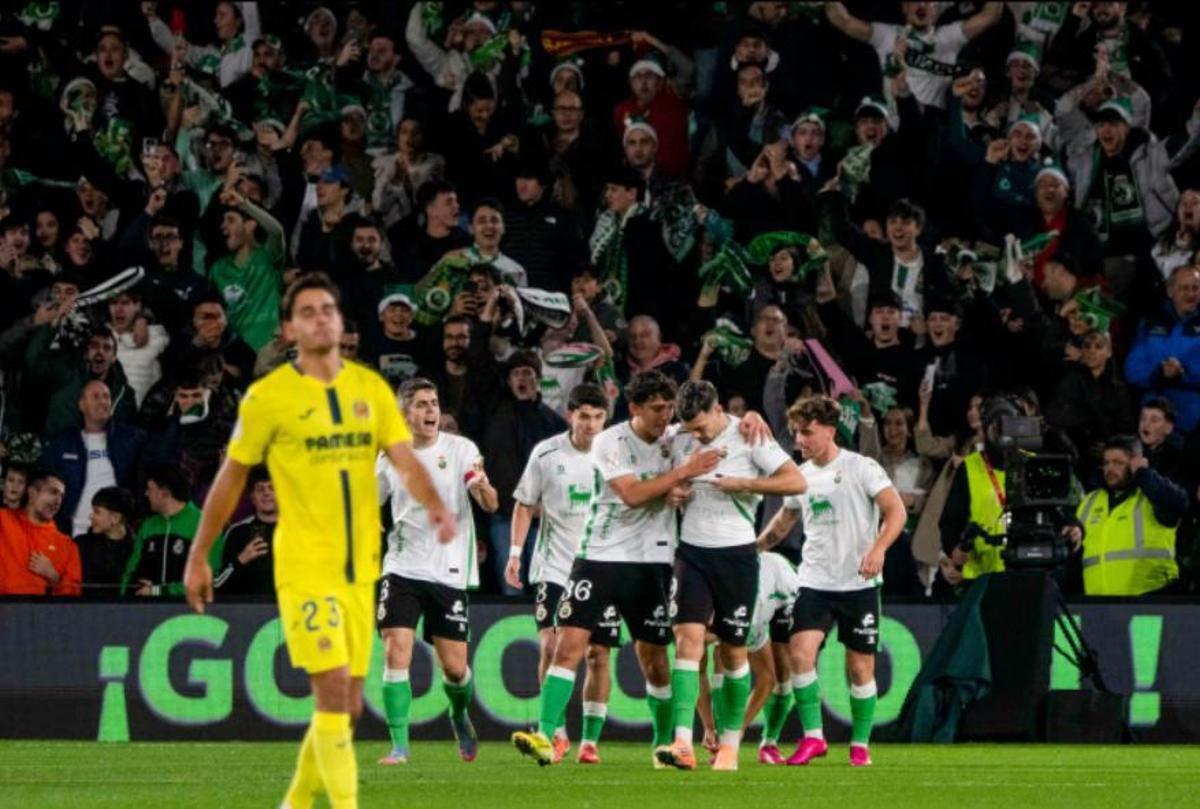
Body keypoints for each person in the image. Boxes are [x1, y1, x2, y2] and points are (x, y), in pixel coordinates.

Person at [183, 273, 454, 809]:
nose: (320, 318)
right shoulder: (269, 398)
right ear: (287, 330)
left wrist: (437, 506)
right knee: (331, 692)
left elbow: (405, 461)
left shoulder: (370, 389)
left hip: (361, 567)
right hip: (305, 565)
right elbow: (232, 476)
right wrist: (198, 552)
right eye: (307, 312)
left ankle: (296, 803)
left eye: (327, 309)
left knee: (349, 708)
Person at [511, 371, 722, 767]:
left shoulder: (677, 438)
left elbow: (717, 431)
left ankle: (664, 747)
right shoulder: (610, 442)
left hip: (653, 561)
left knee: (655, 659)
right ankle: (545, 734)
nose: (666, 416)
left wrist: (750, 420)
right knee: (567, 645)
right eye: (657, 409)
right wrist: (678, 477)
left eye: (669, 408)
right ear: (634, 409)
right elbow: (631, 494)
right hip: (600, 557)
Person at [656, 380, 805, 772]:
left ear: (719, 408)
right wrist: (670, 492)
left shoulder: (749, 435)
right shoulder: (679, 436)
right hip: (691, 554)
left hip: (738, 556)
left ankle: (729, 745)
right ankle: (683, 743)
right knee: (687, 640)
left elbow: (796, 482)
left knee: (732, 651)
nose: (699, 435)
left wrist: (746, 483)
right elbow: (653, 467)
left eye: (703, 427)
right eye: (692, 428)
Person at [756, 395, 905, 766]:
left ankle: (859, 745)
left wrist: (879, 548)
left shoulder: (861, 467)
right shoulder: (802, 476)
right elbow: (785, 522)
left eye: (806, 433)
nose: (799, 441)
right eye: (795, 433)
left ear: (829, 430)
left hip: (858, 584)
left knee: (859, 669)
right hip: (814, 583)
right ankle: (814, 738)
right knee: (799, 656)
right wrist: (753, 549)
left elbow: (895, 511)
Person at [376, 377, 498, 766]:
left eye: (435, 403)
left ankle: (458, 712)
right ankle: (399, 746)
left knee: (455, 668)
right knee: (396, 649)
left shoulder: (461, 450)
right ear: (404, 414)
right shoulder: (389, 458)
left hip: (447, 569)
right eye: (423, 405)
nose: (432, 411)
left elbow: (492, 504)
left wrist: (482, 489)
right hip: (401, 567)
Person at [505, 383, 617, 765]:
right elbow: (524, 504)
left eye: (598, 417)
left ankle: (590, 740)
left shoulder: (617, 454)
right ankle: (555, 732)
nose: (591, 424)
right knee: (552, 647)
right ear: (570, 415)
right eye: (584, 416)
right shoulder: (547, 453)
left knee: (598, 653)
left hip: (603, 567)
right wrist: (516, 553)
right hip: (554, 566)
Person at [481, 351, 567, 594]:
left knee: (544, 588)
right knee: (511, 587)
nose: (522, 378)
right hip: (504, 516)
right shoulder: (495, 411)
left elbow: (562, 471)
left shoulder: (554, 422)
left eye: (528, 373)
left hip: (542, 519)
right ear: (508, 381)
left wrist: (545, 505)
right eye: (516, 373)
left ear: (538, 379)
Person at [1068, 436, 1186, 596]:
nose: (1110, 468)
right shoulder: (1090, 501)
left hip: (1152, 601)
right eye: (1107, 462)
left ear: (1134, 464)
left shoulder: (1150, 496)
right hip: (1098, 605)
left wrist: (1144, 474)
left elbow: (1178, 503)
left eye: (1118, 463)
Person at [41, 379, 144, 536]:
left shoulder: (132, 438)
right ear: (82, 405)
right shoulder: (62, 444)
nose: (102, 401)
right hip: (74, 533)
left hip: (116, 536)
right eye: (96, 396)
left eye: (106, 396)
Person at [1125, 265, 1200, 432]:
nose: (1191, 293)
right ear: (1170, 291)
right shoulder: (1150, 324)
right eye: (1184, 288)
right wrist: (1159, 373)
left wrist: (1184, 372)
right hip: (1154, 419)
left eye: (1196, 288)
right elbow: (1132, 369)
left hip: (1194, 419)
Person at [121, 464, 207, 597]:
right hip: (147, 611)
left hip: (189, 612)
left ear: (165, 493)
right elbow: (130, 572)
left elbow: (208, 580)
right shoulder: (148, 526)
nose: (146, 494)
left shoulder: (204, 524)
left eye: (150, 489)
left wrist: (159, 591)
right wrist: (123, 601)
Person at [0, 469, 81, 596]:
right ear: (32, 493)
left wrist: (54, 577)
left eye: (61, 496)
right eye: (53, 492)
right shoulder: (3, 521)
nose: (58, 501)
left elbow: (74, 598)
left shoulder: (67, 545)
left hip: (43, 614)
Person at [213, 465, 278, 595]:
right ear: (252, 497)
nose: (266, 493)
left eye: (272, 488)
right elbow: (217, 585)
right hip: (247, 612)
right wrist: (241, 560)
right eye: (260, 489)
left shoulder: (297, 531)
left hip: (291, 610)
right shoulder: (237, 532)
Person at [72, 485, 136, 596]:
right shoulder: (80, 545)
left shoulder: (138, 548)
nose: (91, 516)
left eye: (97, 512)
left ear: (115, 518)